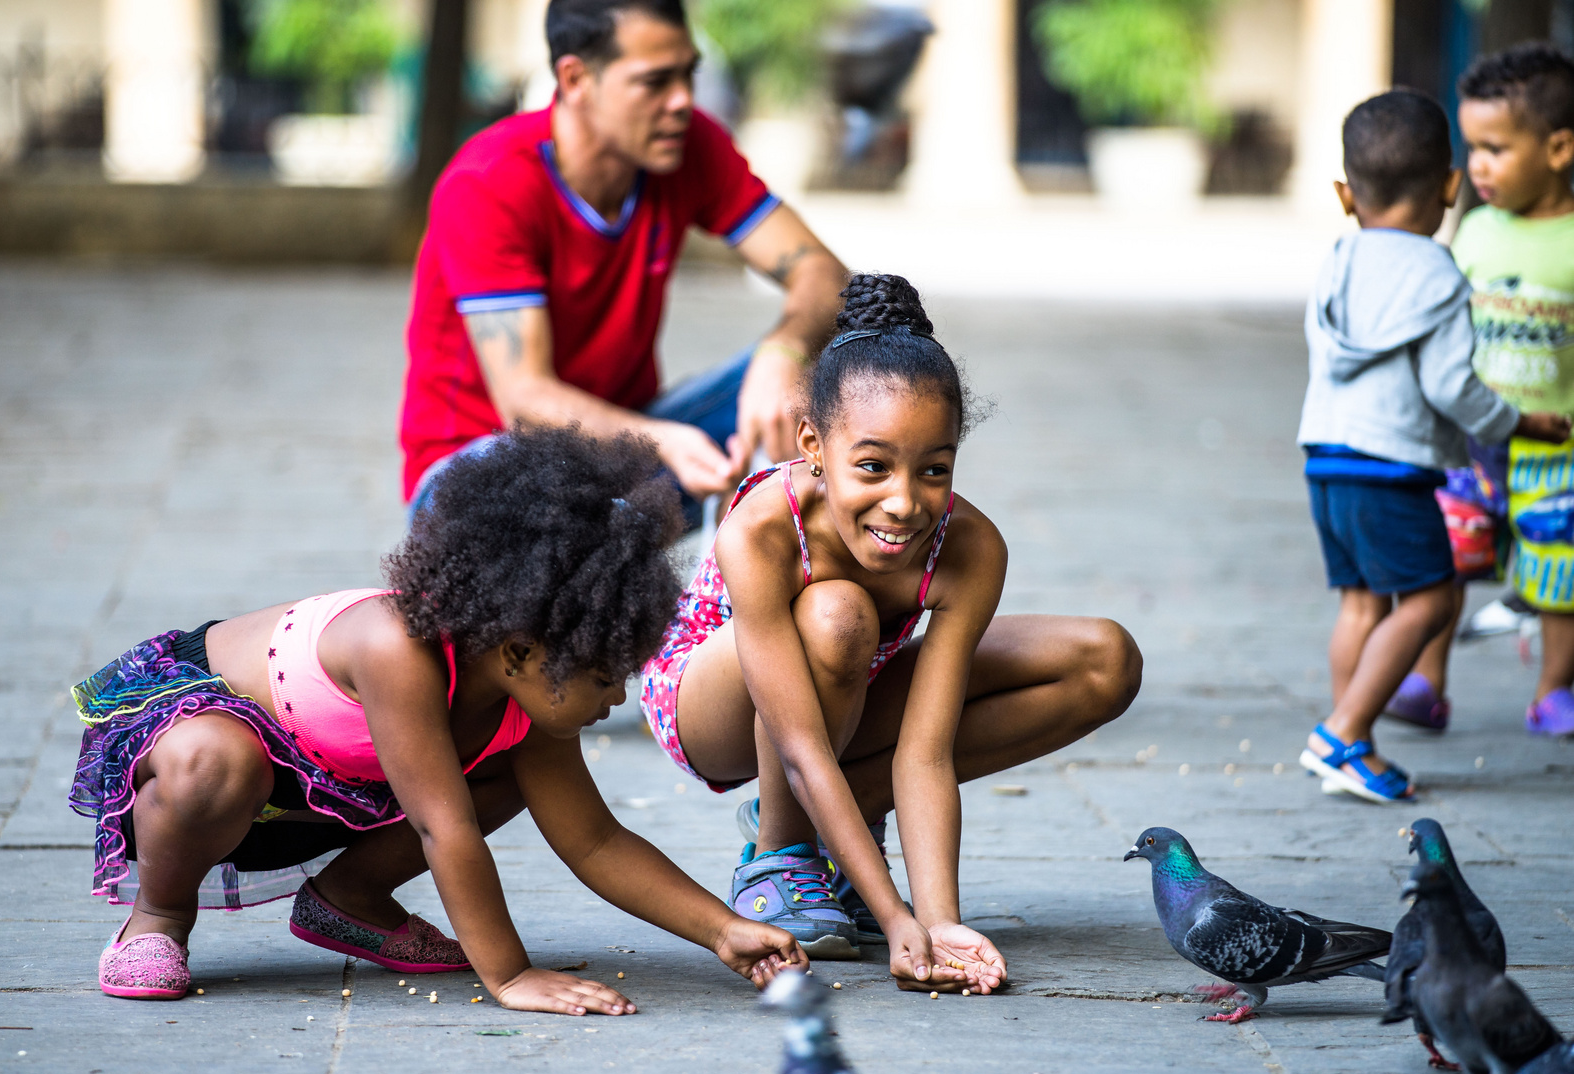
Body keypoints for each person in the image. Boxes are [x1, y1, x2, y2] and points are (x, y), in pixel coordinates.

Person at [69, 427, 806, 1010]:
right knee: (215, 762)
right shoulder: (396, 648)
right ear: (520, 650)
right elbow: (441, 827)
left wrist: (723, 930)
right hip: (198, 755)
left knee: (509, 777)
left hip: (333, 788)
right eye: (605, 677)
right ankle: (159, 916)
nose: (616, 702)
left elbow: (597, 841)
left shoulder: (524, 705)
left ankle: (349, 902)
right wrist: (511, 976)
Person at [639, 273, 1143, 986]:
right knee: (838, 613)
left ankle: (844, 841)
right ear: (812, 443)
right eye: (872, 466)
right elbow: (801, 746)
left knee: (1105, 660)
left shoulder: (970, 548)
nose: (904, 503)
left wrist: (938, 924)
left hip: (849, 682)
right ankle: (780, 858)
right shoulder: (763, 530)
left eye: (934, 469)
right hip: (710, 702)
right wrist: (894, 915)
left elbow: (926, 754)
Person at [400, 0, 847, 528]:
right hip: (477, 482)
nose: (682, 101)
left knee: (845, 365)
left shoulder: (688, 145)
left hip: (631, 452)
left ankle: (781, 574)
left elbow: (825, 273)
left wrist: (784, 353)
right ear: (575, 79)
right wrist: (660, 442)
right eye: (655, 82)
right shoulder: (490, 182)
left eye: (687, 75)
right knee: (574, 523)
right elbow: (525, 398)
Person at [1295, 89, 1571, 804]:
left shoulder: (1334, 261)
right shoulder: (1438, 274)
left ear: (1343, 193)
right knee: (1428, 602)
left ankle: (1352, 741)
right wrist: (1517, 422)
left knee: (1360, 605)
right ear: (1450, 186)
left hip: (1325, 456)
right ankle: (1342, 733)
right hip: (1391, 467)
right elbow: (1452, 386)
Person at [1397, 43, 1574, 736]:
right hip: (1470, 442)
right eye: (1471, 148)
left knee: (1562, 575)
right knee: (1444, 562)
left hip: (1557, 447)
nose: (1478, 166)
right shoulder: (1474, 229)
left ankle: (1554, 690)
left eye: (1495, 148)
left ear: (1559, 147)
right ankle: (1425, 681)